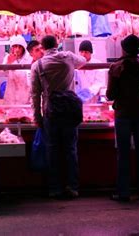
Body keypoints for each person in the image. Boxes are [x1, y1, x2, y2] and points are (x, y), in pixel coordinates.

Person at [30, 35, 86, 198]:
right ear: (57, 44)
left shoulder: (37, 65)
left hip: (50, 112)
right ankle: (73, 187)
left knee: (52, 150)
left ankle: (54, 188)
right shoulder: (68, 57)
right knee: (70, 149)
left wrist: (37, 117)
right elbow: (83, 60)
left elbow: (35, 94)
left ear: (43, 47)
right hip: (69, 110)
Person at [106, 34, 139, 202]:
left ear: (124, 49)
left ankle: (123, 192)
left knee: (123, 153)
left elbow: (110, 95)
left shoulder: (116, 67)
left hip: (123, 114)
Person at [2, 35, 32, 104]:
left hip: (25, 93)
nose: (17, 49)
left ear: (24, 48)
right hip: (11, 93)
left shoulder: (29, 58)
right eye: (15, 46)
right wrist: (9, 63)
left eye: (20, 47)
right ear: (12, 47)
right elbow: (3, 73)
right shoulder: (8, 57)